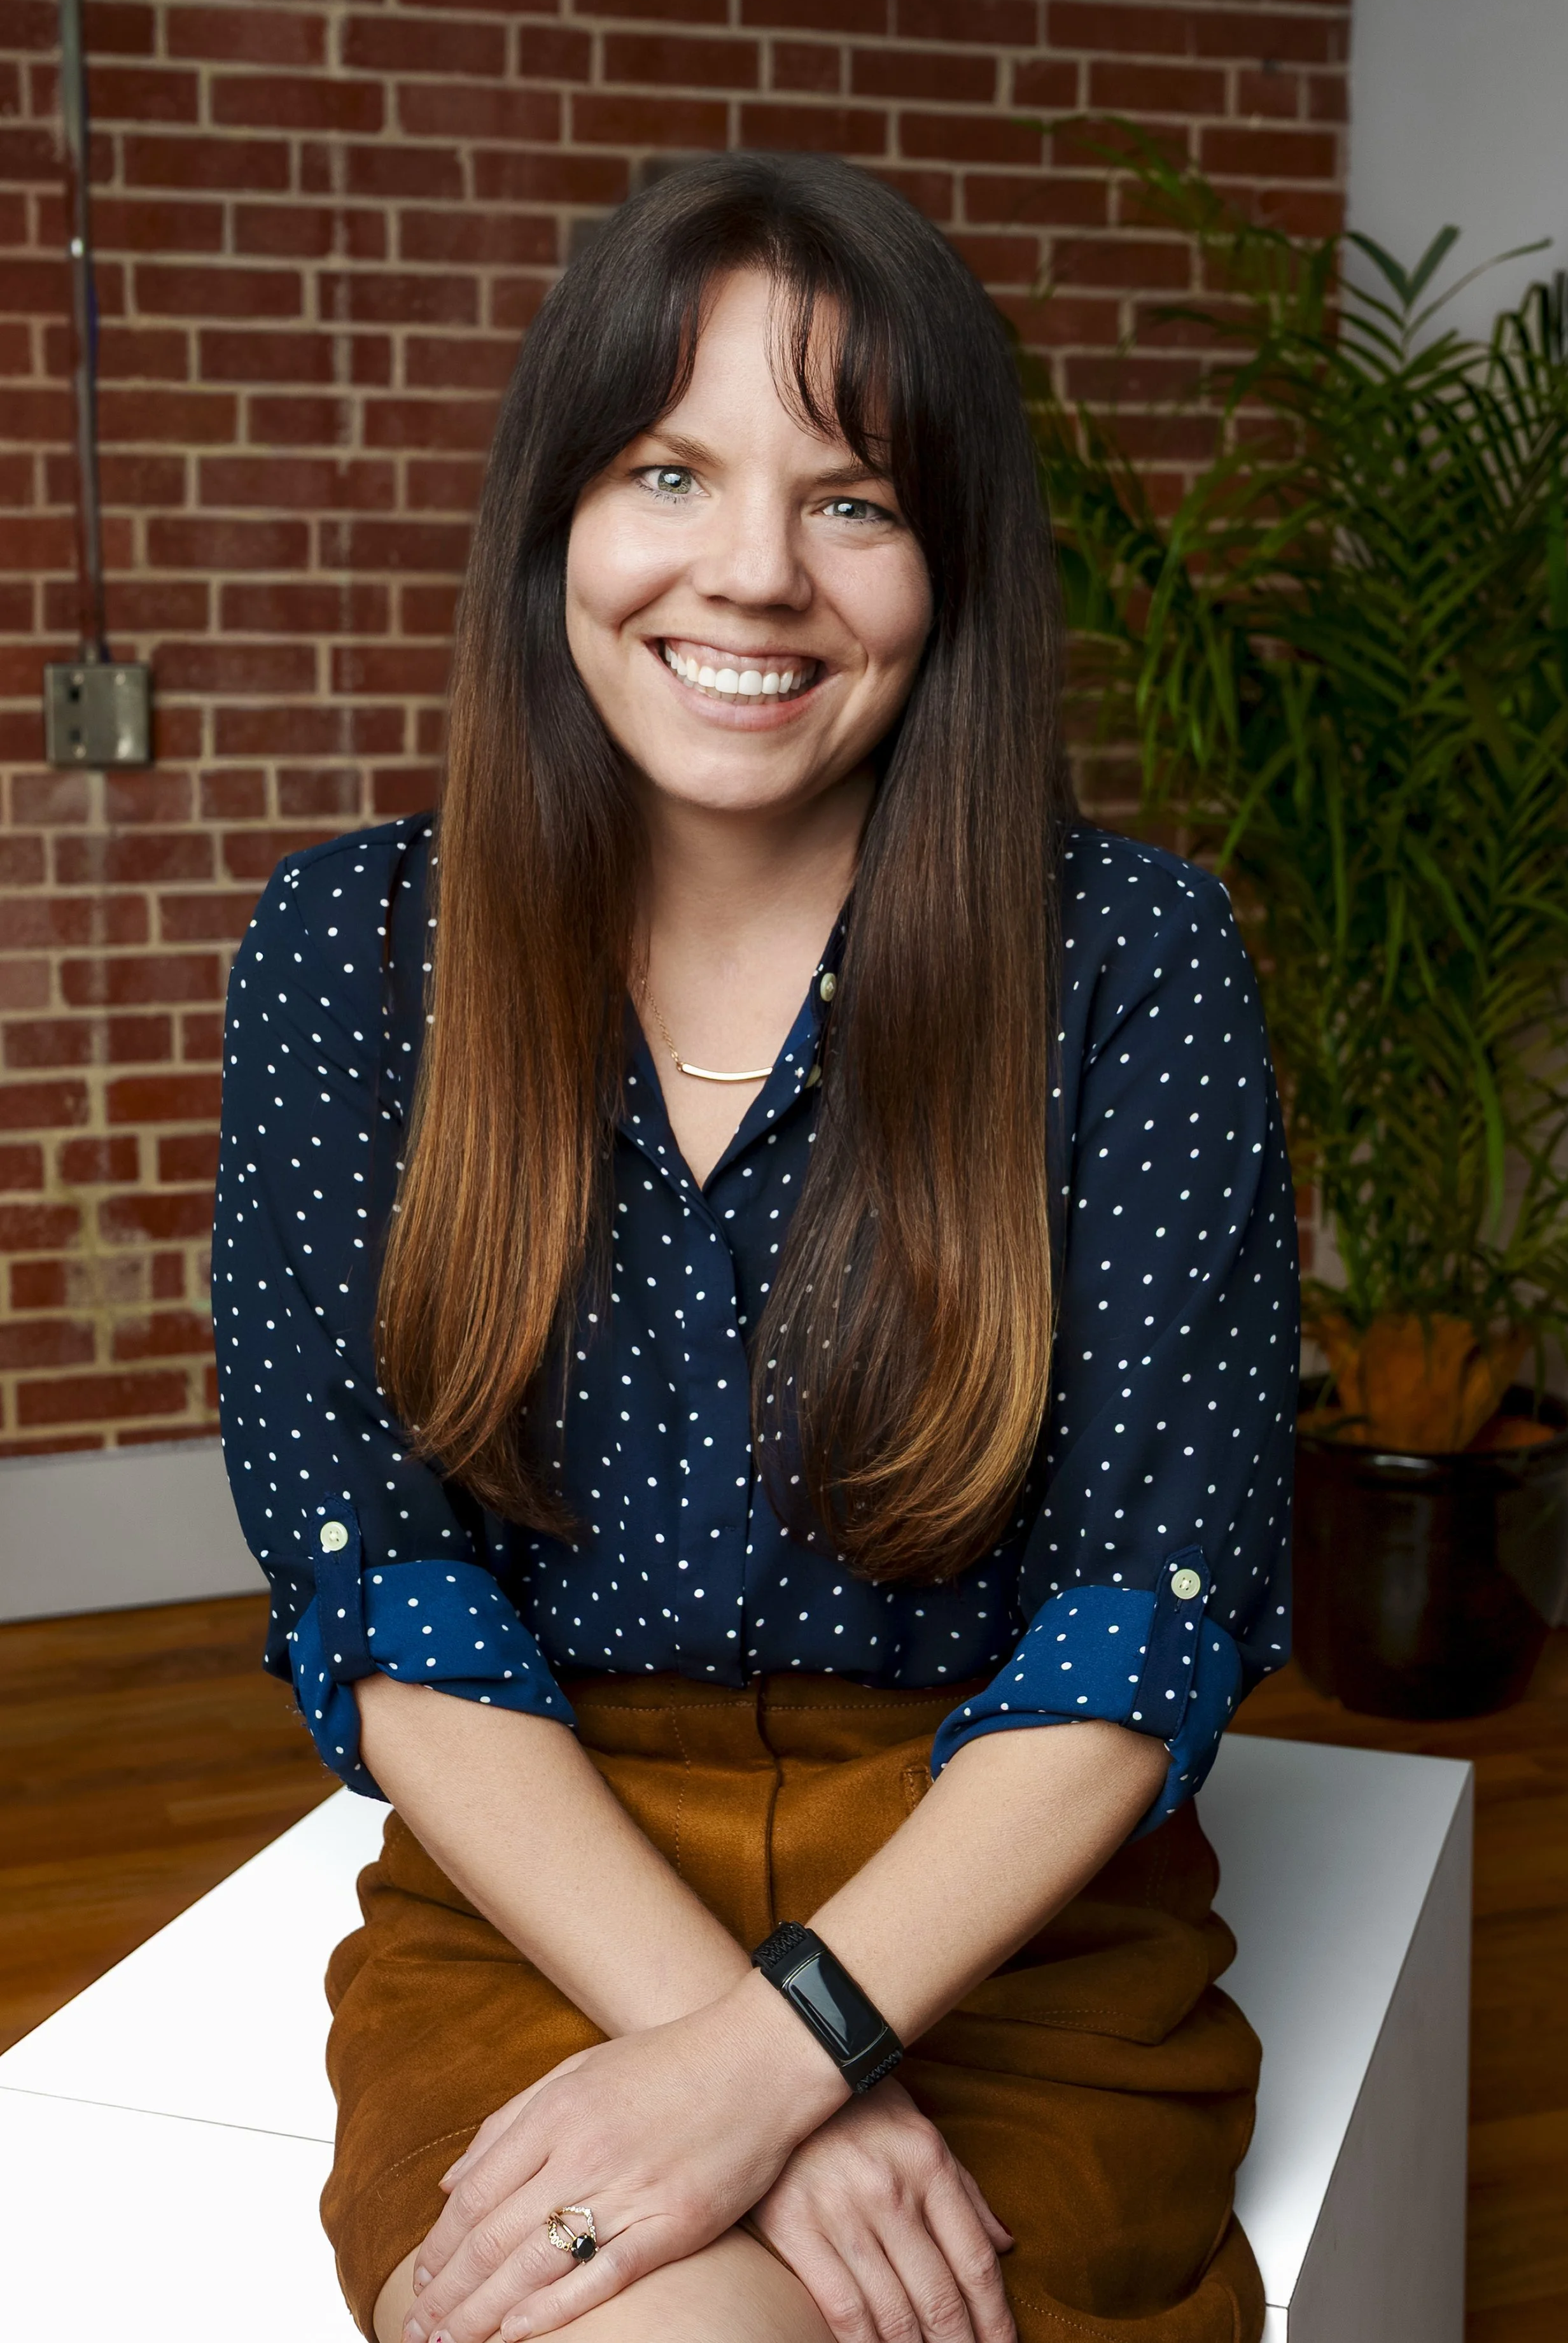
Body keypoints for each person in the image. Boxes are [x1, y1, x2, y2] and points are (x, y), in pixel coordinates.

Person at [214, 151, 1298, 2343]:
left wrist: (778, 2051)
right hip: (546, 1887)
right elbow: (375, 1581)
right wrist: (725, 2063)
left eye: (854, 501)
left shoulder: (1135, 961)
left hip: (995, 1914)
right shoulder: (350, 951)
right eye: (668, 469)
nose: (753, 573)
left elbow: (1145, 1615)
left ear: (947, 565)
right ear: (558, 523)